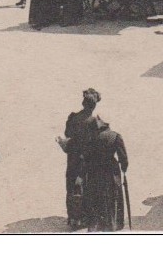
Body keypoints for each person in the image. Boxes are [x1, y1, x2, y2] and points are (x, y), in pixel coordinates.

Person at [58, 89, 102, 229]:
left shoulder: (73, 117)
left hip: (73, 157)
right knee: (87, 185)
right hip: (87, 158)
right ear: (94, 106)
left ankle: (73, 218)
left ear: (83, 103)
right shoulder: (95, 121)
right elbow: (98, 141)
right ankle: (85, 217)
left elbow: (67, 133)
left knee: (71, 185)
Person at [81, 115, 129, 232]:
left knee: (96, 200)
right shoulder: (115, 136)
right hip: (111, 172)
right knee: (112, 199)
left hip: (94, 173)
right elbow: (124, 158)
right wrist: (123, 168)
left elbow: (85, 158)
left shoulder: (90, 138)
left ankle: (96, 226)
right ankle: (112, 225)